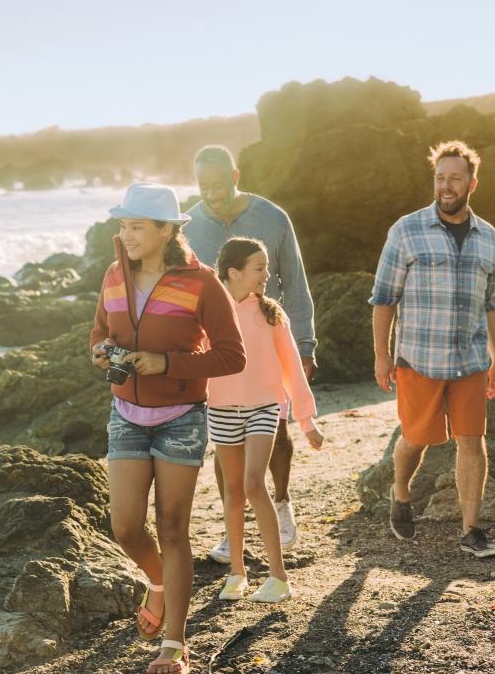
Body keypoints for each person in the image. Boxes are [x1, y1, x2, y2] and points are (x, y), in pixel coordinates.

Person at [90, 182, 246, 674]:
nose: (126, 234)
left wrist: (166, 364)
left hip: (181, 417)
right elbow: (98, 332)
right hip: (126, 416)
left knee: (174, 529)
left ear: (165, 230)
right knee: (125, 527)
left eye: (136, 226)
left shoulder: (201, 283)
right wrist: (99, 352)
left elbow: (231, 355)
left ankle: (173, 647)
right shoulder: (114, 275)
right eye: (123, 225)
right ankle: (161, 584)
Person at [369, 140, 495, 558]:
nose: (446, 186)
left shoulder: (489, 238)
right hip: (419, 359)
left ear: (471, 184)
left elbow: (494, 302)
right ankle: (401, 492)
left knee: (471, 440)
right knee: (415, 439)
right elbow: (383, 297)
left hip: (470, 360)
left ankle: (471, 530)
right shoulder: (406, 230)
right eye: (440, 178)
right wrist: (382, 354)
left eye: (455, 179)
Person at [182, 145, 317, 561]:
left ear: (235, 176)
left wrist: (306, 345)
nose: (212, 193)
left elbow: (294, 281)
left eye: (218, 184)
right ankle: (232, 526)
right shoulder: (188, 226)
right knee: (226, 440)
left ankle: (280, 502)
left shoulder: (272, 218)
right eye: (203, 185)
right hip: (219, 349)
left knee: (276, 431)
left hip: (267, 338)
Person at [208, 237, 324, 604]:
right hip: (221, 409)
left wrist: (306, 421)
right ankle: (237, 573)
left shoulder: (272, 313)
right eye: (259, 269)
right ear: (234, 272)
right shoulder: (209, 311)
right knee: (232, 491)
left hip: (264, 408)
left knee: (254, 483)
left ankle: (278, 577)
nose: (266, 275)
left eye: (267, 269)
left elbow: (292, 368)